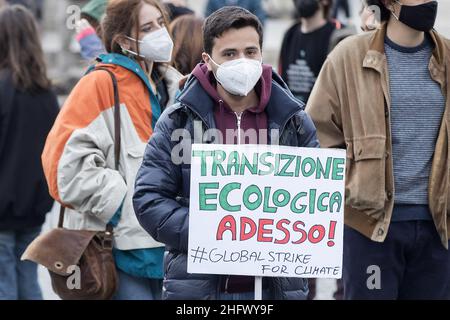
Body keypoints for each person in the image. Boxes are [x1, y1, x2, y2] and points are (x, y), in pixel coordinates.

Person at [133, 6, 319, 300]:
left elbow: (316, 201)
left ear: (261, 53)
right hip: (199, 292)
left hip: (273, 291)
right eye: (229, 54)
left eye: (250, 51)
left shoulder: (293, 122)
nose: (242, 61)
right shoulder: (177, 120)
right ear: (208, 60)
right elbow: (148, 199)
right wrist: (212, 231)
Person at [307, 0, 450, 299]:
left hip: (439, 229)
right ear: (389, 3)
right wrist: (350, 185)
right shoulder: (348, 56)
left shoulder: (448, 58)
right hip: (370, 228)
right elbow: (316, 133)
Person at [42, 0, 182, 300]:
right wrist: (120, 203)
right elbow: (60, 166)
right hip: (121, 253)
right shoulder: (99, 84)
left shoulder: (175, 86)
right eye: (147, 27)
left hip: (168, 250)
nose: (160, 32)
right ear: (122, 41)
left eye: (160, 23)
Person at [0, 5, 59, 300]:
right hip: (35, 206)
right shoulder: (46, 93)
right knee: (28, 279)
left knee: (4, 284)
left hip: (2, 208)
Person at [279, 0, 354, 108]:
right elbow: (282, 82)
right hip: (292, 117)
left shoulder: (339, 35)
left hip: (323, 119)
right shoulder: (290, 33)